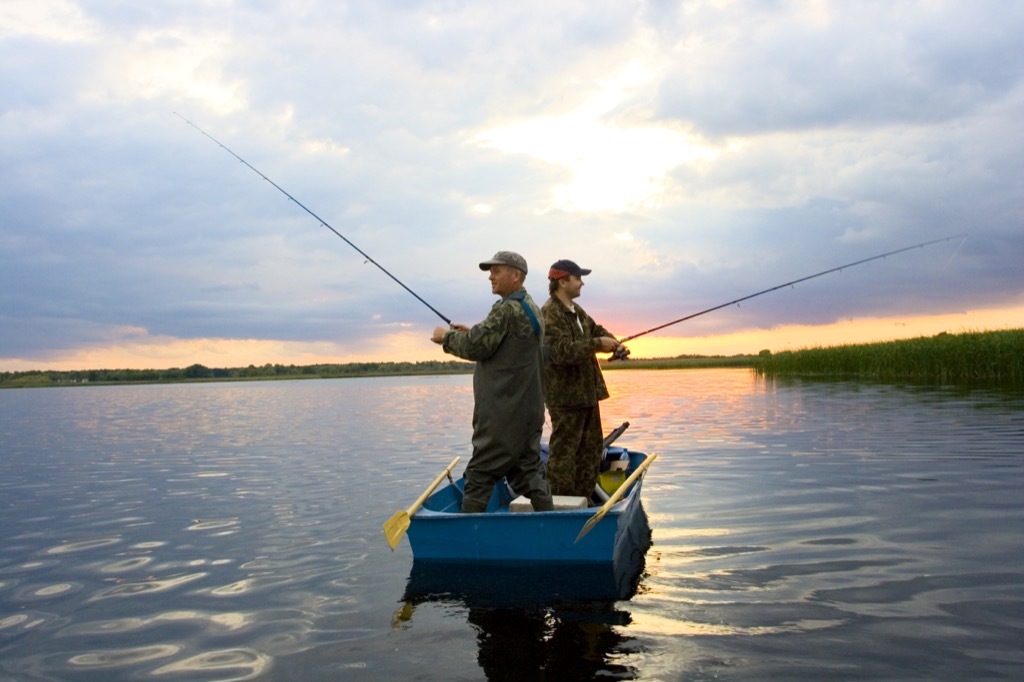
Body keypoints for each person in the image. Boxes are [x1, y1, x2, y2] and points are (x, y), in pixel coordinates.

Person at [431, 251, 554, 513]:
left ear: (516, 276)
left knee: (480, 474)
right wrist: (472, 331)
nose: (491, 276)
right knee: (528, 473)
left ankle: (467, 538)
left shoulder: (507, 309)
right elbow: (502, 341)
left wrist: (446, 338)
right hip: (529, 409)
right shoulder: (530, 307)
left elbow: (477, 347)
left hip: (503, 413)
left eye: (497, 271)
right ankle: (552, 522)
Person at [541, 259, 626, 499]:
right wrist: (598, 345)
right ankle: (558, 504)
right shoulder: (550, 313)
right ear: (562, 281)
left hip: (587, 396)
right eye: (577, 278)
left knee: (590, 453)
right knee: (563, 456)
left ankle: (584, 499)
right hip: (566, 399)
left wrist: (614, 344)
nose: (582, 283)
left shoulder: (576, 312)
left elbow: (596, 330)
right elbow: (561, 351)